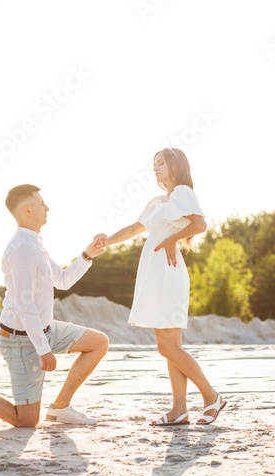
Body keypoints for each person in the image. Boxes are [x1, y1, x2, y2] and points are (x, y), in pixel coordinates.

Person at [0, 184, 109, 427]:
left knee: (98, 343)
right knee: (26, 421)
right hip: (21, 340)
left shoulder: (34, 243)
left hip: (45, 329)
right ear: (27, 210)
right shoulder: (22, 248)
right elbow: (24, 304)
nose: (47, 207)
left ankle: (60, 408)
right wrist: (43, 349)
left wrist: (87, 255)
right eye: (42, 203)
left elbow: (62, 280)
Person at [95, 148, 226, 425]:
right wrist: (106, 242)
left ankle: (211, 396)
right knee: (170, 344)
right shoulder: (158, 201)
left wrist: (171, 240)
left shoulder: (182, 193)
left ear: (175, 165)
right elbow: (135, 228)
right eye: (153, 164)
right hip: (154, 274)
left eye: (160, 163)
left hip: (169, 273)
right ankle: (179, 409)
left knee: (167, 346)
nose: (155, 168)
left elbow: (200, 224)